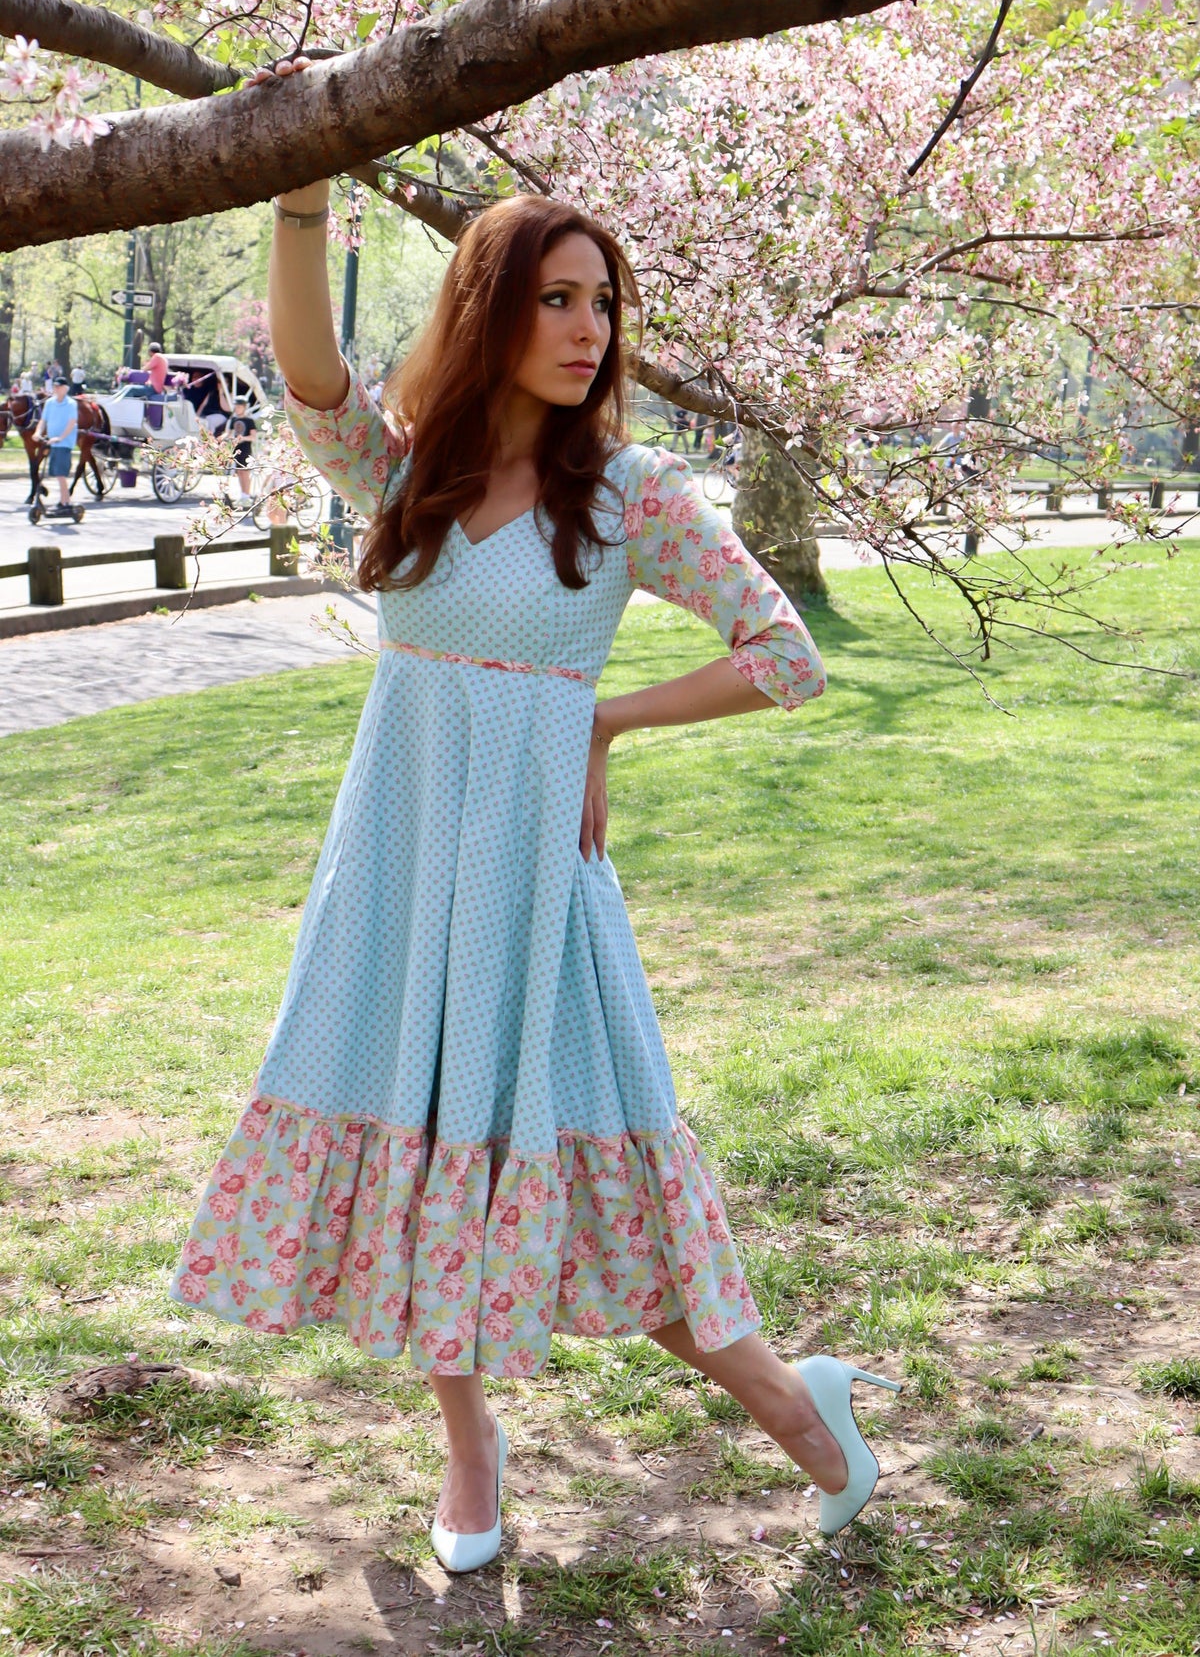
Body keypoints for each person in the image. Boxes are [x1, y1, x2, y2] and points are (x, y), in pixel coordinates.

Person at [169, 122, 898, 1573]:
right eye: (558, 298)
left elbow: (784, 654)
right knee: (421, 1150)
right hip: (395, 877)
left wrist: (605, 724)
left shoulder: (631, 497)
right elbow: (307, 367)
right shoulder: (409, 473)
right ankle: (468, 1445)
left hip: (531, 895)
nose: (588, 330)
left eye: (605, 303)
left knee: (599, 1182)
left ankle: (802, 1409)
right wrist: (300, 185)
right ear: (490, 309)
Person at [33, 374, 78, 510]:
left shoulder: (71, 404)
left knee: (60, 473)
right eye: (55, 386)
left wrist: (61, 437)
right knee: (57, 474)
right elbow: (43, 420)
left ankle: (66, 503)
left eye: (59, 387)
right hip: (52, 442)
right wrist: (38, 432)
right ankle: (64, 502)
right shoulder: (50, 403)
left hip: (64, 443)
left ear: (65, 389)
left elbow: (72, 423)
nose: (56, 389)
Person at [225, 397, 257, 503]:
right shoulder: (233, 420)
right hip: (236, 449)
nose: (237, 409)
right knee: (239, 472)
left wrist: (243, 438)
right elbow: (229, 433)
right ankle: (243, 494)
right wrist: (223, 437)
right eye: (236, 407)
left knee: (245, 472)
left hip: (245, 448)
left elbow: (253, 436)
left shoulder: (249, 421)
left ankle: (247, 495)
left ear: (244, 407)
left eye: (239, 407)